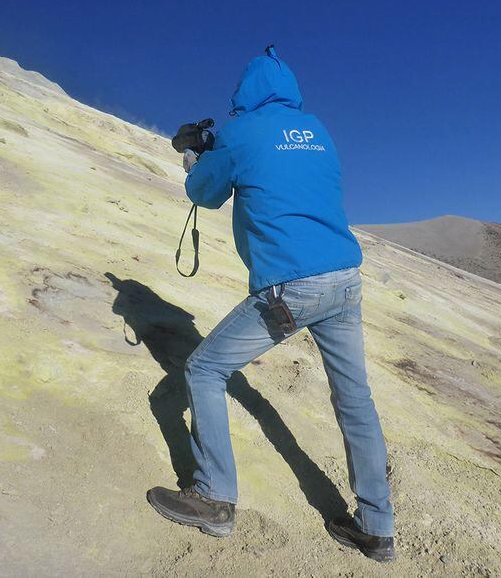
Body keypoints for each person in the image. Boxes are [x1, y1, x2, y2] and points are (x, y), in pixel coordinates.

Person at [147, 46, 395, 562]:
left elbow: (205, 193)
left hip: (291, 287)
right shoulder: (318, 131)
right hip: (345, 280)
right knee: (355, 399)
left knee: (205, 370)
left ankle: (215, 497)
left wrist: (195, 154)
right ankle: (377, 527)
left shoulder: (239, 134)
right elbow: (282, 163)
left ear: (244, 93)